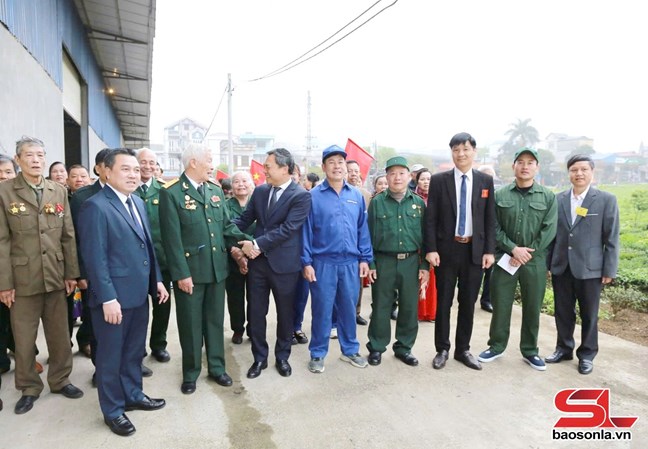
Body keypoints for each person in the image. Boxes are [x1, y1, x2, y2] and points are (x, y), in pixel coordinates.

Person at [78, 148, 169, 436]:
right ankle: (113, 410)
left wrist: (156, 280)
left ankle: (133, 394)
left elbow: (147, 246)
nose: (133, 175)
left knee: (132, 352)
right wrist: (107, 298)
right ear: (106, 171)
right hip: (113, 298)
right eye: (125, 169)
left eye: (136, 170)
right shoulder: (95, 206)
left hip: (138, 294)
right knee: (110, 357)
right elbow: (95, 258)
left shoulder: (137, 202)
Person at [0, 136, 83, 415]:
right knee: (24, 339)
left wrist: (71, 273)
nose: (36, 160)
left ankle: (60, 380)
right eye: (29, 155)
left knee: (60, 334)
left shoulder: (57, 190)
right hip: (22, 279)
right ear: (18, 160)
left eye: (40, 155)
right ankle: (29, 387)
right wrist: (4, 284)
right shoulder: (5, 192)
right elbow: (2, 241)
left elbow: (67, 235)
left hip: (56, 276)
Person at [159, 145, 250, 394]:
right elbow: (171, 240)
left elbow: (226, 227)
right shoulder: (172, 193)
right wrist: (181, 274)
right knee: (190, 324)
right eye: (209, 160)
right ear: (193, 162)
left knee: (214, 322)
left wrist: (247, 241)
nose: (212, 165)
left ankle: (217, 368)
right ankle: (190, 372)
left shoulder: (214, 190)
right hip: (190, 273)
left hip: (217, 270)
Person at [234, 148, 311, 379]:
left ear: (285, 168)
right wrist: (222, 229)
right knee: (256, 312)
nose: (264, 170)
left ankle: (282, 356)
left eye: (268, 166)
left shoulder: (301, 196)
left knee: (285, 314)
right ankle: (259, 358)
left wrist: (255, 244)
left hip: (285, 265)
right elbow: (244, 220)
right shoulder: (260, 191)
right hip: (258, 265)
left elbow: (288, 229)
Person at [478, 147, 557, 371]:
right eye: (520, 162)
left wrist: (524, 254)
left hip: (534, 261)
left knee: (532, 306)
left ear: (537, 168)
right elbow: (493, 226)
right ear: (513, 166)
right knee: (501, 304)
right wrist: (513, 249)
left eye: (530, 163)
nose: (525, 166)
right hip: (506, 259)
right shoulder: (500, 195)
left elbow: (549, 230)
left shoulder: (548, 196)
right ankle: (496, 346)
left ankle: (530, 350)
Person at [425, 132, 495, 371]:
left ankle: (462, 349)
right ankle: (442, 349)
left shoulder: (485, 181)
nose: (461, 154)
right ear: (452, 153)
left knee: (468, 302)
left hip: (474, 251)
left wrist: (489, 250)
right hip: (446, 250)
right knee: (443, 302)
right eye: (456, 150)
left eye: (465, 149)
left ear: (474, 151)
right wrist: (431, 248)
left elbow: (489, 218)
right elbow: (431, 218)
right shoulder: (439, 180)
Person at [302, 145, 373, 374]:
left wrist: (365, 258)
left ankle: (350, 350)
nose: (337, 166)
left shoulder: (356, 195)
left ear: (346, 166)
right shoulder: (313, 197)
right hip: (323, 263)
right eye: (331, 162)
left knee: (348, 309)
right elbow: (306, 232)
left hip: (350, 263)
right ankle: (317, 353)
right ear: (324, 167)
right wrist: (306, 262)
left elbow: (362, 229)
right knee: (322, 310)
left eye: (340, 162)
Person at [546, 155, 620, 375]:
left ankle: (587, 355)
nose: (579, 173)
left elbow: (611, 238)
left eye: (583, 169)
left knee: (589, 314)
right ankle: (563, 348)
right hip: (562, 266)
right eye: (574, 170)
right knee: (562, 312)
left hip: (590, 269)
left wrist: (609, 269)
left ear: (592, 173)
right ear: (568, 173)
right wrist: (549, 264)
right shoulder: (558, 199)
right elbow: (552, 236)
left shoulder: (606, 200)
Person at [366, 156, 428, 367]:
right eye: (392, 173)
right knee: (381, 306)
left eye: (401, 173)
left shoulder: (418, 203)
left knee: (409, 307)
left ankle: (404, 348)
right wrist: (371, 263)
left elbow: (426, 237)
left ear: (410, 176)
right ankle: (376, 347)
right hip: (384, 261)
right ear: (387, 177)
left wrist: (424, 266)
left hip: (411, 262)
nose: (397, 177)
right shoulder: (377, 202)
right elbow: (368, 236)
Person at [134, 148, 173, 364]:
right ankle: (137, 349)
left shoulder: (164, 190)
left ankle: (159, 344)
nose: (147, 166)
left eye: (152, 162)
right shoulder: (128, 188)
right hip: (136, 262)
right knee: (138, 308)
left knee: (162, 306)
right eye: (143, 162)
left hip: (162, 259)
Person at [225, 171, 255, 344]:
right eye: (236, 181)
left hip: (256, 256)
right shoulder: (225, 205)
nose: (241, 184)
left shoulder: (258, 203)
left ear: (251, 184)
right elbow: (224, 230)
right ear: (232, 186)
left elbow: (263, 229)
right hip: (231, 258)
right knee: (235, 297)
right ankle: (237, 329)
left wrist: (250, 248)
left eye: (244, 180)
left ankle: (253, 329)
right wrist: (236, 251)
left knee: (255, 297)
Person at [0, 154, 19, 412]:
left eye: (7, 172)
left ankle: (20, 356)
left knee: (15, 323)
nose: (3, 177)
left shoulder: (17, 201)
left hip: (14, 274)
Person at [346, 160, 372, 326]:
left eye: (356, 171)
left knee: (358, 281)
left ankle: (356, 312)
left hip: (360, 243)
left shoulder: (366, 195)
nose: (354, 174)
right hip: (343, 245)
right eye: (350, 171)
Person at [477, 165, 498, 313]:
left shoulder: (497, 195)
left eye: (491, 176)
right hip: (476, 241)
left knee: (490, 273)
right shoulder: (473, 193)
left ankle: (486, 300)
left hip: (491, 241)